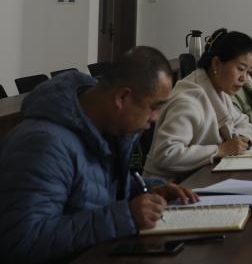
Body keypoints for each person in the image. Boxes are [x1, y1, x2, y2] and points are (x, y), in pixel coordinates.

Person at [0, 47, 197, 262]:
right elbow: (22, 243)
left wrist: (147, 190)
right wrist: (125, 216)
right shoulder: (43, 145)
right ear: (122, 97)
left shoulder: (102, 127)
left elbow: (91, 189)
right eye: (153, 107)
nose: (155, 118)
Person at [144, 30, 252, 182]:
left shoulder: (218, 90)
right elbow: (166, 154)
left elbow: (243, 121)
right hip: (168, 187)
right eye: (241, 69)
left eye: (249, 72)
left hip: (198, 177)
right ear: (217, 63)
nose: (244, 78)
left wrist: (242, 138)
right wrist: (221, 149)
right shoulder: (188, 100)